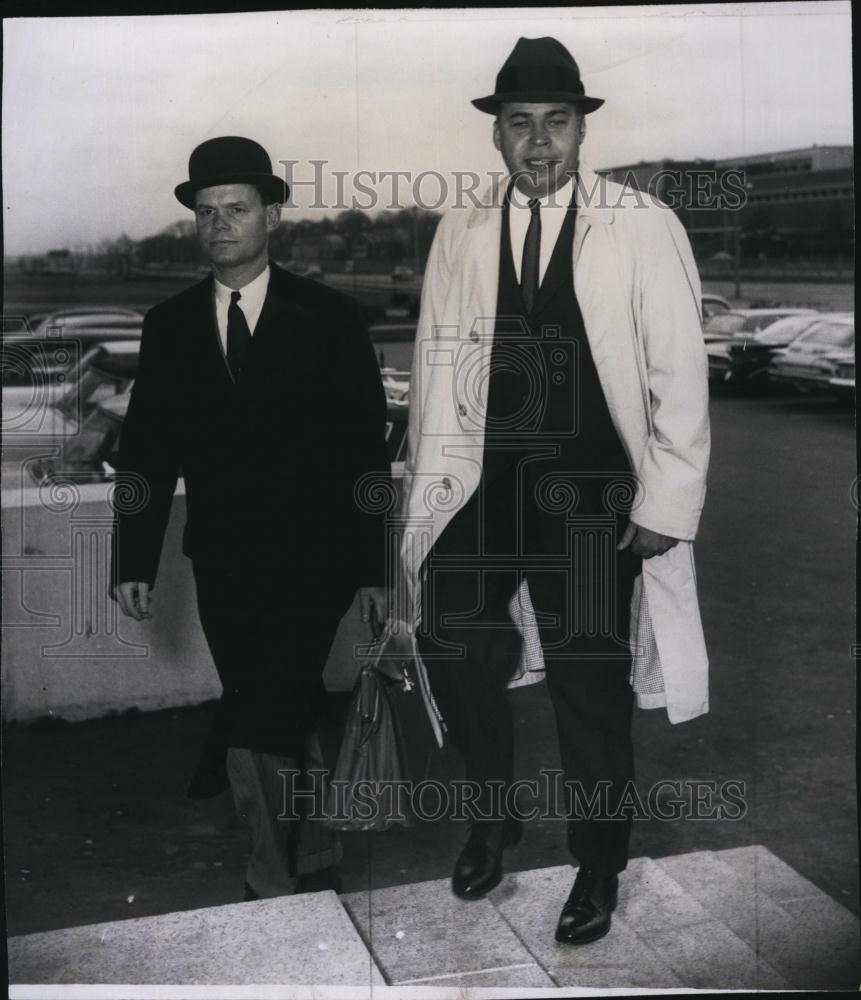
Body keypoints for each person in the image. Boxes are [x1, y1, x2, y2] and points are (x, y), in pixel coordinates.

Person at [398, 37, 710, 944]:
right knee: (451, 646)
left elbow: (678, 375)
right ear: (495, 137)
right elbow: (431, 366)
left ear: (581, 131)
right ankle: (493, 815)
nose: (537, 143)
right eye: (519, 125)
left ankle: (598, 867)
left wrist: (664, 504)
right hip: (480, 490)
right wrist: (424, 492)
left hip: (589, 501)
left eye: (555, 124)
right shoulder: (459, 229)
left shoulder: (639, 222)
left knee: (588, 686)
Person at [111, 135, 390, 900]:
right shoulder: (168, 326)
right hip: (225, 561)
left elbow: (366, 456)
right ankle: (314, 847)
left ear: (271, 213)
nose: (219, 224)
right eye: (206, 213)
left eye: (236, 208)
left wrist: (374, 569)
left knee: (262, 698)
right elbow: (145, 454)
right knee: (278, 695)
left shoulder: (330, 317)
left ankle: (268, 868)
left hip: (318, 560)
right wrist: (132, 560)